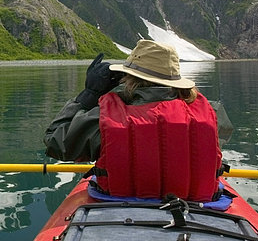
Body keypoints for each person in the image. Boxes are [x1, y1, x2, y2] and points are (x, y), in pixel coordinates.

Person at [44, 40, 233, 202]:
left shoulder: (104, 119)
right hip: (196, 204)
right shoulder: (213, 113)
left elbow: (55, 141)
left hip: (117, 203)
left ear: (130, 79)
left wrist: (88, 95)